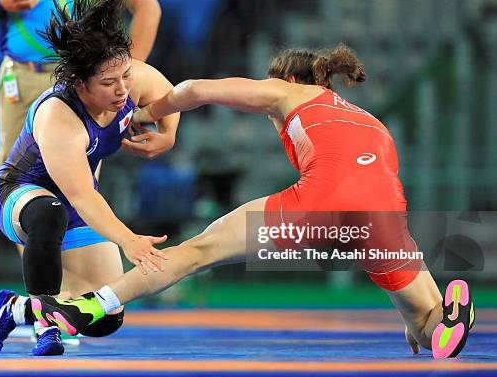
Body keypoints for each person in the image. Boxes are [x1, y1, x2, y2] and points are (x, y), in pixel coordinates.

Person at [32, 44, 475, 359]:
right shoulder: (371, 121)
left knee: (194, 253)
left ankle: (90, 305)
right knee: (425, 324)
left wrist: (147, 113)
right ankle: (445, 318)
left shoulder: (290, 91)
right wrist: (411, 309)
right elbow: (369, 190)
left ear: (290, 79)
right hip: (384, 211)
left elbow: (194, 89)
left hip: (320, 199)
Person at [0, 0, 179, 356]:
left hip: (69, 204)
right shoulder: (59, 115)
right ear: (78, 82)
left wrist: (168, 134)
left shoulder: (126, 79)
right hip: (20, 196)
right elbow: (82, 196)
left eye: (125, 77)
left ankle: (13, 308)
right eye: (108, 83)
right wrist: (128, 239)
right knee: (50, 213)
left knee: (106, 315)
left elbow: (172, 96)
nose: (122, 91)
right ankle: (45, 326)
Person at [0, 0, 162, 169]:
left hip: (80, 78)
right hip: (20, 78)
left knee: (75, 173)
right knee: (12, 177)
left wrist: (123, 78)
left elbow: (147, 8)